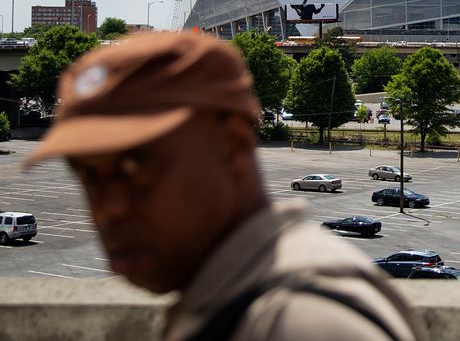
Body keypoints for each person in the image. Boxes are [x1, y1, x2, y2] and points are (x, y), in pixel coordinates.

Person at [25, 31, 423, 341]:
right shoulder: (232, 297)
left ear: (231, 144)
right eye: (87, 174)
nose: (107, 207)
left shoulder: (302, 323)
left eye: (134, 166)